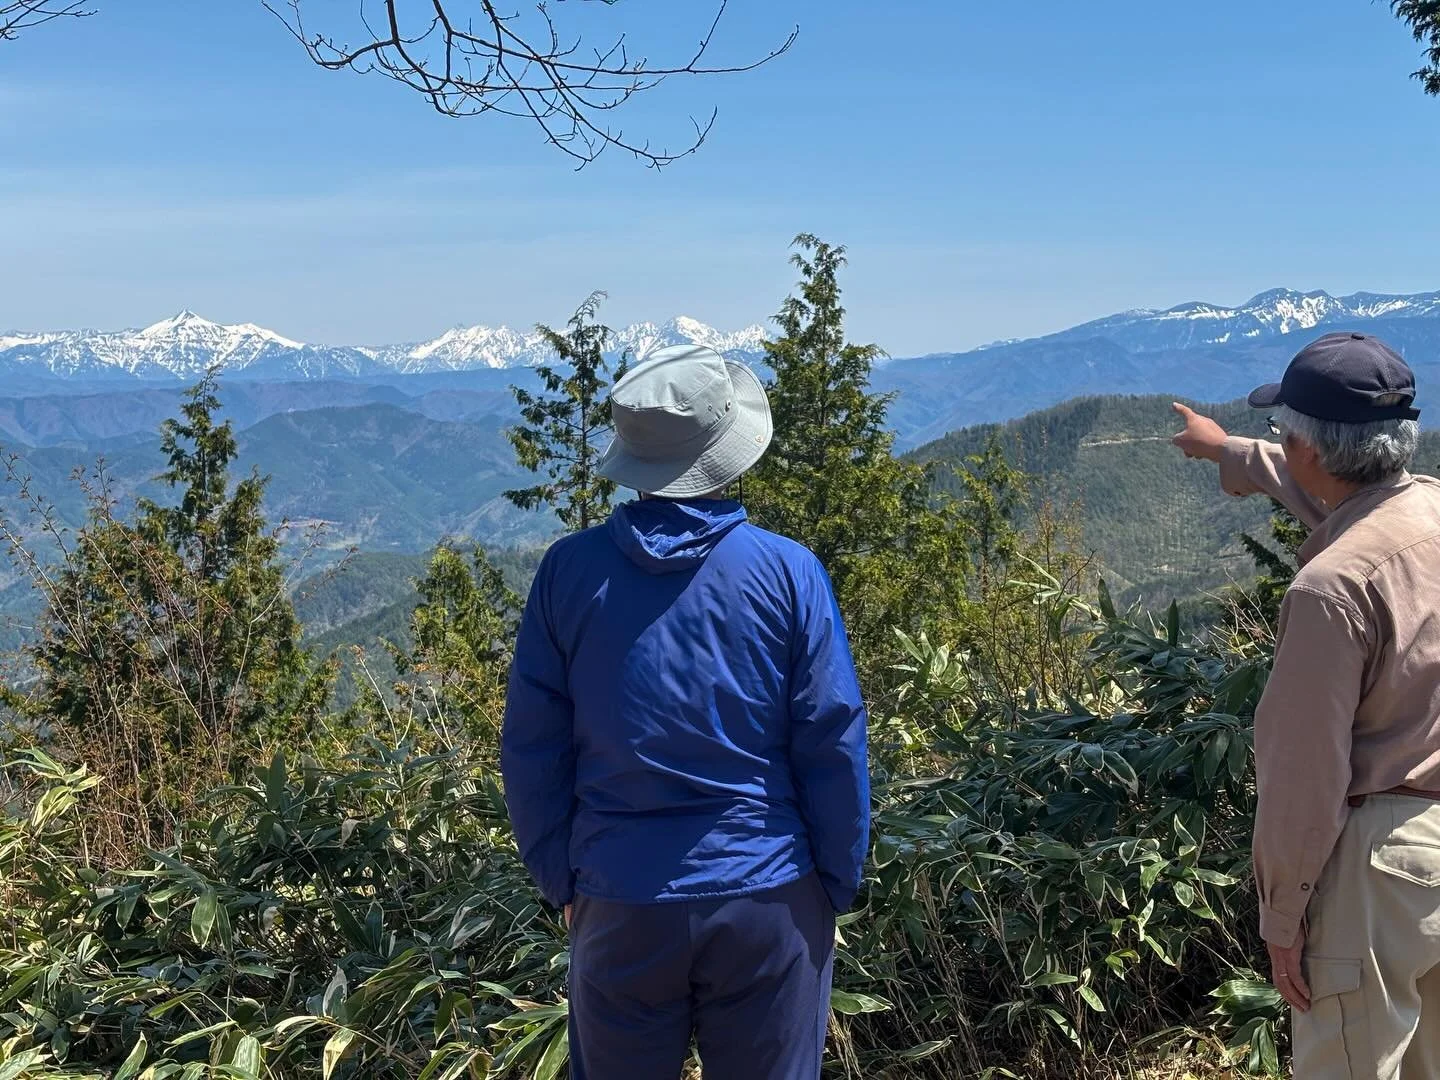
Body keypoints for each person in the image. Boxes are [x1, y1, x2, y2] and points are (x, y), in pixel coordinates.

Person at [500, 343, 869, 1080]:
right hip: (769, 889)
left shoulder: (568, 572)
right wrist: (834, 881)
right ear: (727, 452)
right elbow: (831, 738)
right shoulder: (788, 571)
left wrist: (562, 881)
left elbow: (533, 747)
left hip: (619, 893)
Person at [1172, 331, 1440, 1078]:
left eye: (1283, 434)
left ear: (1311, 450)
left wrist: (1282, 915)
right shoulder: (1428, 510)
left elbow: (1303, 774)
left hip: (1379, 874)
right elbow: (1343, 502)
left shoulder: (1330, 591)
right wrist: (1226, 451)